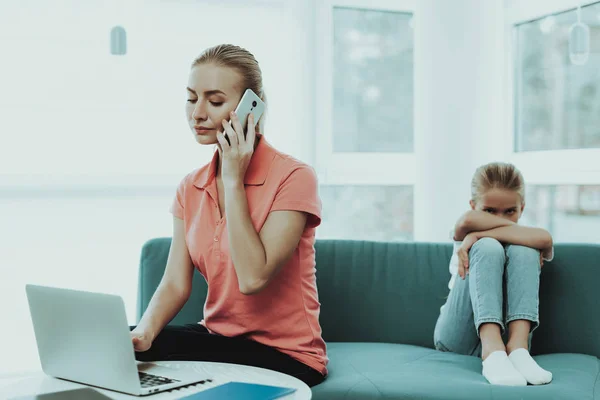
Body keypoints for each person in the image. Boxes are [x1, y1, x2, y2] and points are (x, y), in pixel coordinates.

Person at [130, 44, 327, 387]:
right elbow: (175, 283)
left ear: (251, 108)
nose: (198, 113)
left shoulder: (294, 177)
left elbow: (252, 278)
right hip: (220, 341)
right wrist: (144, 334)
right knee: (116, 342)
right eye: (192, 98)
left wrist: (234, 180)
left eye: (215, 101)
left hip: (288, 356)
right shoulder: (190, 186)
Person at [433, 162, 553, 386]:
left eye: (510, 211)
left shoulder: (523, 241)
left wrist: (478, 234)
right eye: (489, 211)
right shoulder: (465, 229)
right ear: (472, 205)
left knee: (524, 250)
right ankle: (491, 350)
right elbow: (467, 221)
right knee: (488, 246)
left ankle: (518, 348)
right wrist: (478, 237)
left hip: (509, 337)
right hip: (458, 334)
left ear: (522, 208)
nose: (502, 217)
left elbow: (546, 239)